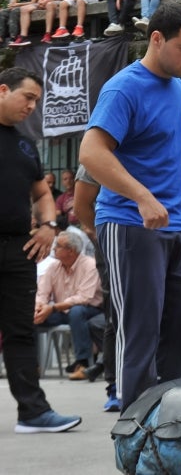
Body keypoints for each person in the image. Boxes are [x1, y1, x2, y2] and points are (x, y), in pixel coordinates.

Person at [78, 4, 181, 411]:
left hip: (178, 224)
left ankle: (167, 417)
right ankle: (135, 426)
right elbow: (91, 153)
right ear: (156, 39)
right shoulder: (123, 87)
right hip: (131, 222)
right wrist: (142, 196)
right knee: (140, 331)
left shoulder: (176, 85)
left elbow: (166, 133)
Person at [0, 67, 81, 433]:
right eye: (27, 97)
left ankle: (32, 413)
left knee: (20, 331)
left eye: (36, 100)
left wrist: (49, 226)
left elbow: (42, 193)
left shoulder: (24, 143)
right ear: (3, 90)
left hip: (18, 248)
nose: (32, 106)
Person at [73, 163, 120, 411]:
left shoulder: (152, 143)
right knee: (115, 314)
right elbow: (81, 206)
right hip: (111, 239)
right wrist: (102, 233)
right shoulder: (96, 154)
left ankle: (158, 382)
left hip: (153, 237)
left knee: (155, 311)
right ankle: (114, 386)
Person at [33, 231, 103, 381]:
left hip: (90, 309)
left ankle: (82, 364)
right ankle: (33, 366)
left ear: (70, 251)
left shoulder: (90, 265)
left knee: (76, 312)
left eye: (58, 246)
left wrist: (52, 308)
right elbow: (42, 293)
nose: (53, 249)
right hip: (61, 310)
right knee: (31, 317)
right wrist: (39, 308)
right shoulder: (53, 267)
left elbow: (84, 298)